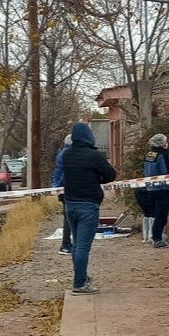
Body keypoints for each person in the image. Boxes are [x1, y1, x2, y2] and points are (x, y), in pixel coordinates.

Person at [62, 122, 117, 295]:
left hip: (70, 205)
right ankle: (79, 284)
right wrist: (97, 179)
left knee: (77, 245)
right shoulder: (94, 155)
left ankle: (82, 277)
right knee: (82, 247)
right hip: (88, 206)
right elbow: (111, 175)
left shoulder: (66, 155)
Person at [144, 133, 169, 248]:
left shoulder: (149, 154)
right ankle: (157, 239)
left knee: (155, 214)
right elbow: (167, 173)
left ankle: (156, 236)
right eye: (165, 141)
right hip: (163, 189)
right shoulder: (163, 155)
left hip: (151, 188)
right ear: (162, 143)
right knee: (161, 215)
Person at [51, 133, 73, 255]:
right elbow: (64, 174)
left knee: (68, 217)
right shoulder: (68, 154)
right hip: (66, 189)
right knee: (68, 218)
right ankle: (65, 244)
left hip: (62, 189)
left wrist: (56, 187)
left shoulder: (63, 153)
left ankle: (67, 243)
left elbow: (58, 173)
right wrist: (60, 187)